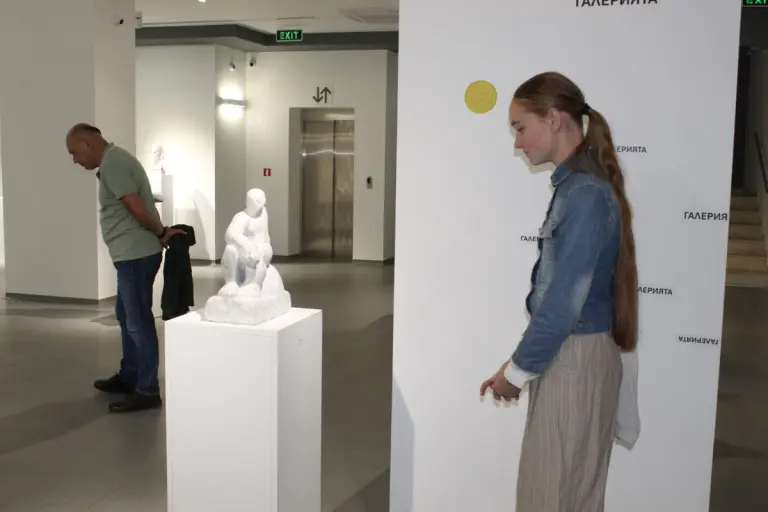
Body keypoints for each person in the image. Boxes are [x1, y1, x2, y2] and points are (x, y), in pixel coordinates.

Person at [480, 72, 639, 511]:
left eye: (520, 127)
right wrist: (519, 365)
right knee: (568, 495)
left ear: (553, 119)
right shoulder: (580, 188)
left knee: (551, 498)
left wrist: (516, 374)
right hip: (573, 358)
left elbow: (563, 303)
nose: (517, 143)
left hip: (575, 361)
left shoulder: (584, 194)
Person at [66, 123, 183, 413]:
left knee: (137, 322)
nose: (74, 160)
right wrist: (158, 230)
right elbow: (142, 203)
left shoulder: (114, 163)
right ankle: (130, 375)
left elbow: (136, 207)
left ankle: (147, 389)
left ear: (88, 144)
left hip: (135, 255)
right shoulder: (115, 160)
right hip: (132, 254)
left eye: (74, 152)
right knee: (126, 315)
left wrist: (160, 231)